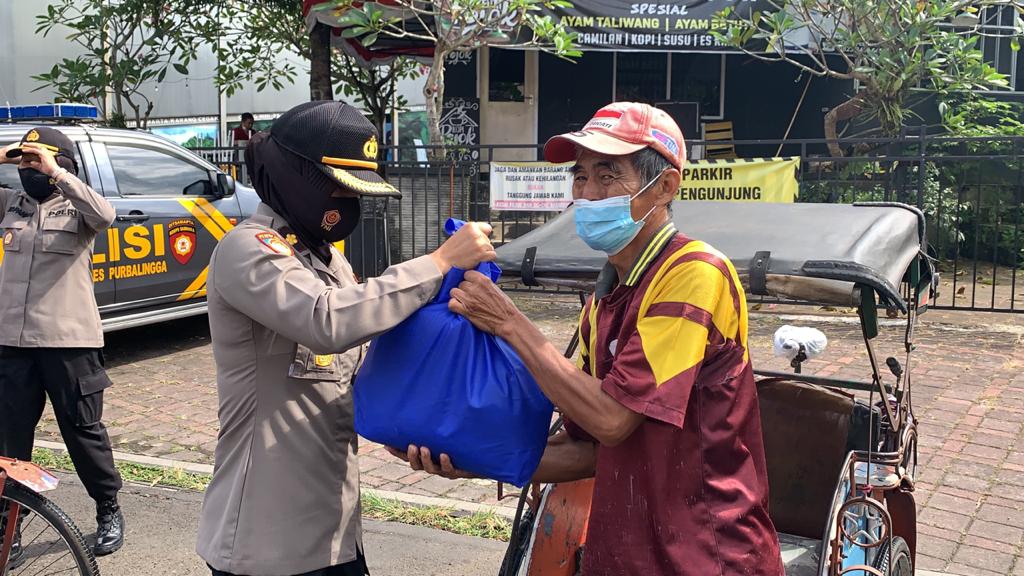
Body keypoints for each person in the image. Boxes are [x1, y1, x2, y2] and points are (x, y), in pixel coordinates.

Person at [390, 102, 784, 575]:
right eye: (580, 177)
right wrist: (468, 460)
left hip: (706, 553)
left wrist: (508, 321)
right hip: (627, 553)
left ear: (665, 186)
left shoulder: (694, 273)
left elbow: (612, 420)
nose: (589, 193)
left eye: (608, 176)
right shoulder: (604, 300)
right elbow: (589, 450)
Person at [195, 100, 495, 576]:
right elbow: (327, 320)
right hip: (265, 540)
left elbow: (359, 354)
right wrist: (438, 263)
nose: (349, 202)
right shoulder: (247, 250)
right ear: (297, 177)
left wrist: (412, 422)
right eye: (340, 188)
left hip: (334, 529)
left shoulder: (325, 257)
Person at [0, 127, 126, 558]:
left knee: (83, 433)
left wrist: (55, 172)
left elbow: (106, 215)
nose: (28, 168)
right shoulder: (10, 204)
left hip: (69, 343)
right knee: (10, 442)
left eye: (35, 159)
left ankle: (108, 508)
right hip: (12, 343)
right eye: (24, 161)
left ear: (62, 162)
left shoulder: (78, 205)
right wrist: (5, 155)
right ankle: (9, 524)